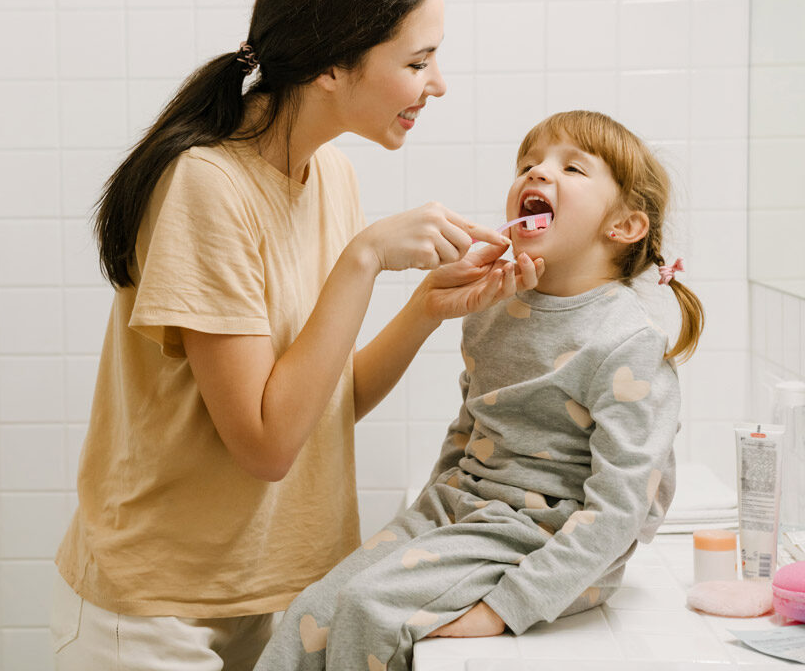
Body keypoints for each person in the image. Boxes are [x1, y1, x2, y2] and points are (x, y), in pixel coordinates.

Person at [51, 0, 544, 671]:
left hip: (267, 591)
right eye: (419, 61)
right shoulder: (206, 186)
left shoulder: (330, 175)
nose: (437, 84)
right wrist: (367, 257)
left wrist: (424, 310)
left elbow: (318, 405)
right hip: (157, 614)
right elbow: (267, 444)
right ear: (330, 68)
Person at [252, 110, 706, 671]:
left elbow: (621, 510)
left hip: (542, 538)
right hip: (460, 513)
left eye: (572, 167)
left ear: (625, 226)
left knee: (370, 609)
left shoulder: (627, 341)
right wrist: (420, 519)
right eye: (528, 163)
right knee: (313, 610)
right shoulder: (494, 310)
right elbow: (469, 433)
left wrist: (506, 606)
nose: (537, 174)